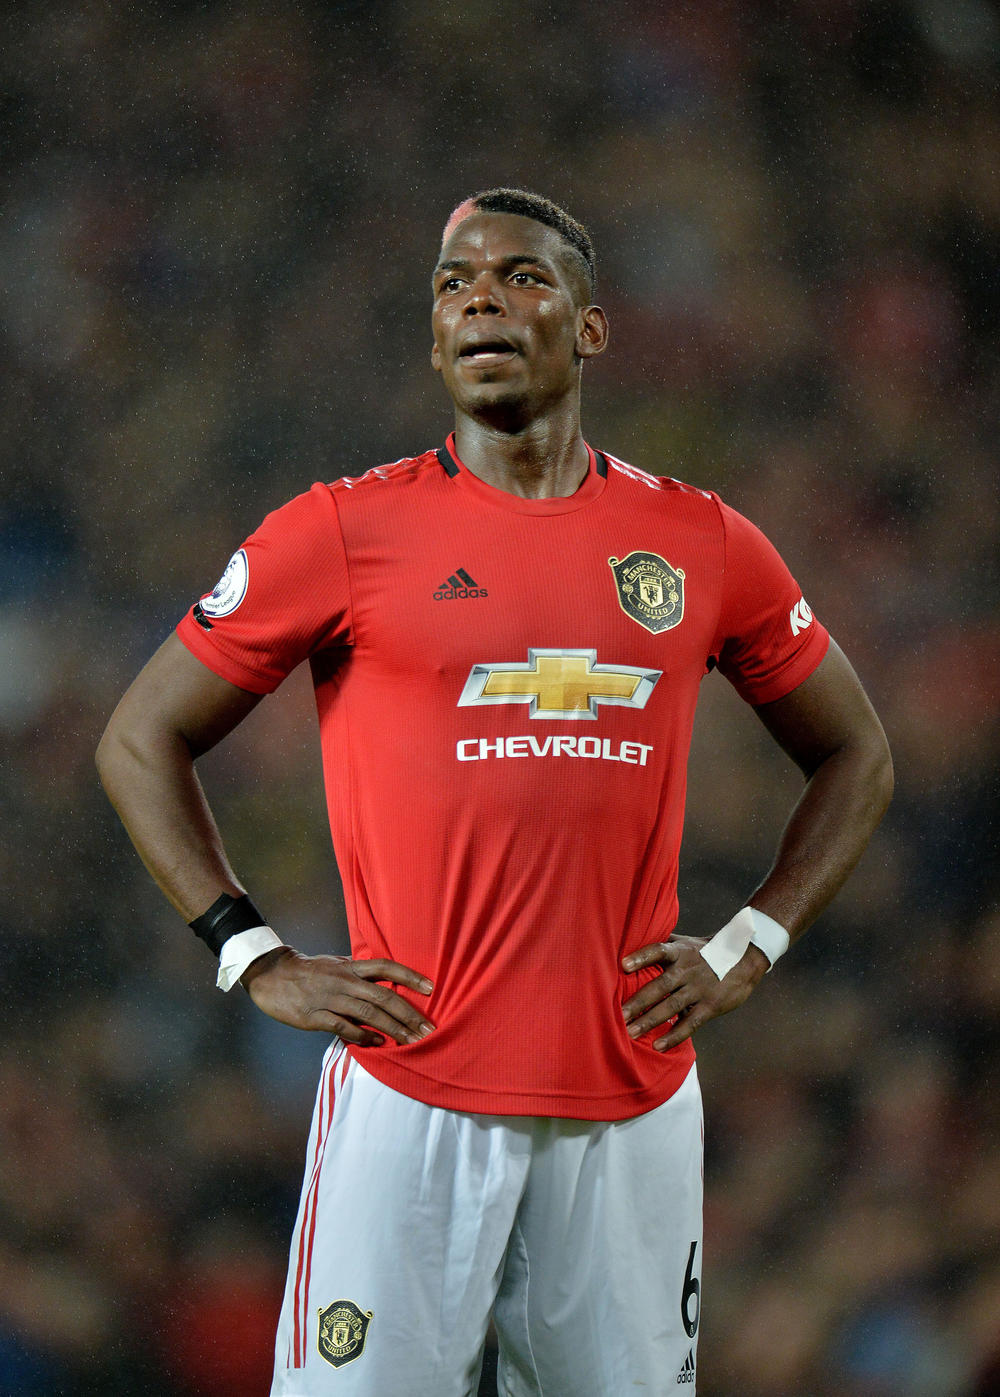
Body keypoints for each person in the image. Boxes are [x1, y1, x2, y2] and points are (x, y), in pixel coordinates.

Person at [96, 188, 893, 1397]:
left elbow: (856, 753)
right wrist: (249, 950)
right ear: (433, 339)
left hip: (630, 1098)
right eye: (452, 282)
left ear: (590, 327)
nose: (479, 297)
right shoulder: (342, 529)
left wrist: (751, 940)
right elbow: (140, 734)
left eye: (521, 275)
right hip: (409, 1091)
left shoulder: (702, 542)